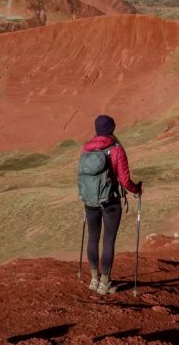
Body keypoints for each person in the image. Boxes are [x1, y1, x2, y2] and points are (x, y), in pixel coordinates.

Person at [79, 114, 142, 295]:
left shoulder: (86, 149)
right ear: (112, 129)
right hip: (110, 202)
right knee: (108, 240)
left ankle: (93, 279)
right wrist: (136, 189)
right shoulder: (116, 149)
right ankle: (105, 283)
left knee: (93, 238)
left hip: (90, 201)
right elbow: (124, 180)